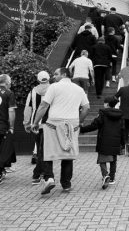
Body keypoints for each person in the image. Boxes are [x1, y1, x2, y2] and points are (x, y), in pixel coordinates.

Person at [32, 67, 90, 195]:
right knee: (67, 155)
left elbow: (44, 105)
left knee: (47, 151)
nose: (54, 76)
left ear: (64, 74)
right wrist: (79, 122)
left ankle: (49, 178)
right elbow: (86, 108)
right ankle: (66, 184)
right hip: (71, 125)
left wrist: (35, 122)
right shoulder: (79, 89)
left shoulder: (54, 87)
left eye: (56, 73)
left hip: (54, 123)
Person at [80, 97, 124, 189]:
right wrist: (122, 143)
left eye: (104, 103)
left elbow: (94, 125)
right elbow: (122, 129)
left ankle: (105, 175)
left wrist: (82, 129)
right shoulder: (120, 114)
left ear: (107, 104)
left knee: (102, 160)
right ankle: (112, 178)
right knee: (113, 160)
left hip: (104, 140)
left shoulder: (103, 113)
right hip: (116, 140)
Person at [23, 71, 50, 185]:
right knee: (47, 149)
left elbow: (28, 108)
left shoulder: (33, 91)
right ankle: (42, 173)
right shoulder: (53, 89)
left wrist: (26, 123)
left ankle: (39, 173)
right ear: (48, 78)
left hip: (36, 123)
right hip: (51, 122)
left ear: (38, 80)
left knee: (39, 148)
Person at [0, 74, 16, 184]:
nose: (10, 84)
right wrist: (11, 126)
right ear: (6, 82)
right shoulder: (9, 93)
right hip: (3, 126)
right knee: (3, 150)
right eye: (9, 82)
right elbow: (11, 111)